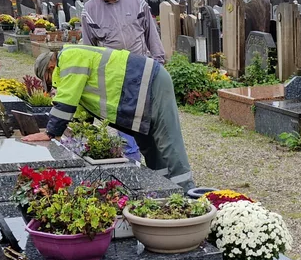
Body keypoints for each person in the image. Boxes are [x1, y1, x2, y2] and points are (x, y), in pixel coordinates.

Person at [22, 46, 195, 190]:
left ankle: (189, 193)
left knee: (169, 141)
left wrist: (50, 133)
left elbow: (66, 100)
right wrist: (77, 135)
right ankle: (163, 190)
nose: (52, 86)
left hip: (150, 81)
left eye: (49, 80)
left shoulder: (69, 57)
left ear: (50, 67)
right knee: (150, 146)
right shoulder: (70, 65)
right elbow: (82, 110)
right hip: (136, 94)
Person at [80, 0, 167, 161]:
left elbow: (151, 33)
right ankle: (134, 169)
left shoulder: (135, 1)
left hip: (142, 73)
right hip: (115, 79)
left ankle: (158, 166)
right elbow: (89, 50)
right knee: (126, 127)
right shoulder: (90, 10)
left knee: (150, 124)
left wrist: (159, 62)